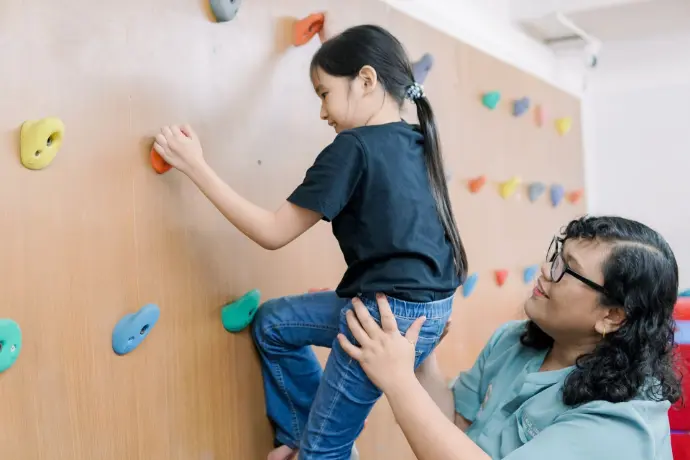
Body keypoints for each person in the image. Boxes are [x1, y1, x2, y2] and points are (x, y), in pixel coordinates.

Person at [152, 24, 467, 460]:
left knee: (324, 452)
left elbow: (272, 232)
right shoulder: (418, 138)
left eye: (323, 94)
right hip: (431, 311)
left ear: (367, 80)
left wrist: (195, 166)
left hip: (385, 318)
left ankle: (318, 450)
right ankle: (305, 437)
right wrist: (338, 53)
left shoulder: (352, 147)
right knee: (273, 324)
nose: (322, 111)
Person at [339, 215, 681, 460]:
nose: (546, 270)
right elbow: (457, 426)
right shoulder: (513, 340)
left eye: (567, 269)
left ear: (612, 316)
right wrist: (419, 357)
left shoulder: (619, 424)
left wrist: (398, 381)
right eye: (556, 255)